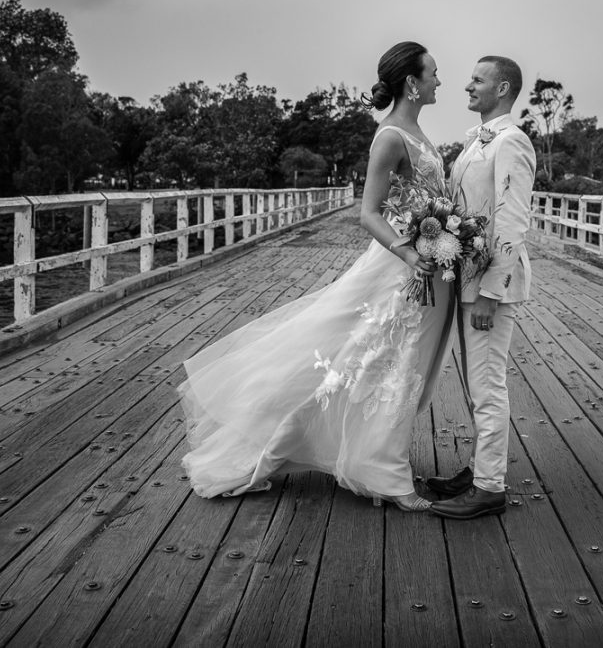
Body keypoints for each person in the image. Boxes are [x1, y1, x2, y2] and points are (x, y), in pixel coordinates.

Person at [177, 41, 454, 511]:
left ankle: (376, 456)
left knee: (395, 362)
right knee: (385, 360)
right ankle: (382, 472)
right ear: (412, 82)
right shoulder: (391, 136)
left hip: (426, 261)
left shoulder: (418, 131)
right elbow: (369, 213)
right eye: (433, 73)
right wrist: (409, 253)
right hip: (402, 266)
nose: (438, 81)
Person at [428, 56, 536, 519]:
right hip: (467, 280)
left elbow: (512, 222)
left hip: (490, 288)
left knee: (488, 385)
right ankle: (478, 469)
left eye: (478, 79)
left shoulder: (512, 142)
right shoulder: (477, 140)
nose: (468, 86)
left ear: (503, 88)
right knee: (477, 383)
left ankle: (489, 487)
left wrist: (491, 292)